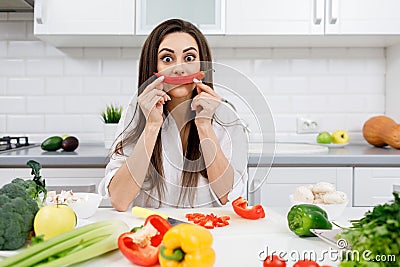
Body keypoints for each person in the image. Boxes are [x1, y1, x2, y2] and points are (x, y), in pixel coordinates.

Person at [99, 19, 248, 211]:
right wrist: (152, 126)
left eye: (189, 58)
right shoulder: (135, 114)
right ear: (153, 67)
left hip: (207, 232)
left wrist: (204, 125)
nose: (179, 68)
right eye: (167, 59)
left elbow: (230, 198)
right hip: (151, 233)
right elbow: (119, 200)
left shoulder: (225, 117)